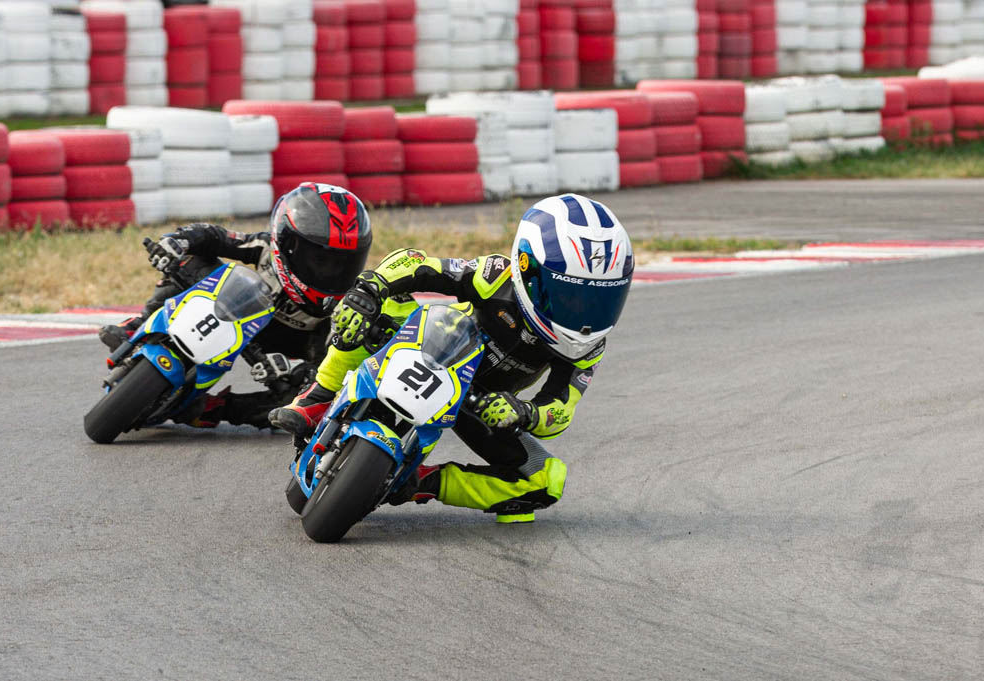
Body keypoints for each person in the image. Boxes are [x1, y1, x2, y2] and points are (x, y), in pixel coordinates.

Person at [269, 193, 634, 523]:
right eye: (570, 296)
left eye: (601, 300)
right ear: (527, 268)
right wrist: (370, 288)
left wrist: (525, 413)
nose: (584, 315)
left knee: (546, 481)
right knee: (384, 304)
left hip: (483, 405)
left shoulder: (588, 346)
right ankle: (317, 398)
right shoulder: (497, 277)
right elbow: (415, 263)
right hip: (435, 347)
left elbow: (562, 408)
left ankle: (420, 482)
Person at [99, 182, 373, 429]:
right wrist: (178, 241)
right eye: (319, 259)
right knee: (189, 260)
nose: (330, 271)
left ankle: (214, 409)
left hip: (282, 347)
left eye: (342, 263)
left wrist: (296, 371)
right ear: (286, 242)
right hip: (237, 308)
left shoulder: (342, 307)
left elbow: (329, 367)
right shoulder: (265, 246)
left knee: (302, 397)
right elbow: (216, 237)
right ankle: (138, 323)